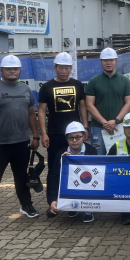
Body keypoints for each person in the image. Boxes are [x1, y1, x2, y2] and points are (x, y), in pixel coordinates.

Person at [0, 54, 40, 232]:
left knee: (22, 178)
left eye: (16, 69)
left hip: (21, 143)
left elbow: (31, 115)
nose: (12, 71)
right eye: (9, 69)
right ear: (1, 70)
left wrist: (36, 137)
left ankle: (26, 206)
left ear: (20, 70)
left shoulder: (25, 89)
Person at [38, 52, 88, 208]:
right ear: (55, 68)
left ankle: (77, 200)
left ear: (71, 68)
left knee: (78, 166)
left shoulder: (78, 84)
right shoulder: (46, 87)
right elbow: (41, 111)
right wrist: (44, 133)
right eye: (61, 67)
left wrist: (85, 127)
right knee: (54, 168)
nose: (64, 71)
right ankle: (52, 202)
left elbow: (82, 106)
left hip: (75, 135)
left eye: (67, 67)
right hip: (55, 134)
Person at [85, 48, 130, 155]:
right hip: (98, 127)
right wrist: (105, 123)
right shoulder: (94, 81)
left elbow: (128, 102)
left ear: (116, 61)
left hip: (119, 127)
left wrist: (116, 121)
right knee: (98, 159)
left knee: (119, 158)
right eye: (105, 60)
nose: (108, 63)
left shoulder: (124, 80)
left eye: (111, 60)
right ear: (101, 62)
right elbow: (89, 105)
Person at [47, 122, 98, 222]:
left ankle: (88, 210)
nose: (74, 140)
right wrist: (52, 199)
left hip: (87, 181)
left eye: (78, 137)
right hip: (71, 184)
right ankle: (71, 206)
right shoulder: (61, 154)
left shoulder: (91, 151)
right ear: (67, 139)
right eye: (71, 138)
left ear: (84, 136)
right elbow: (55, 177)